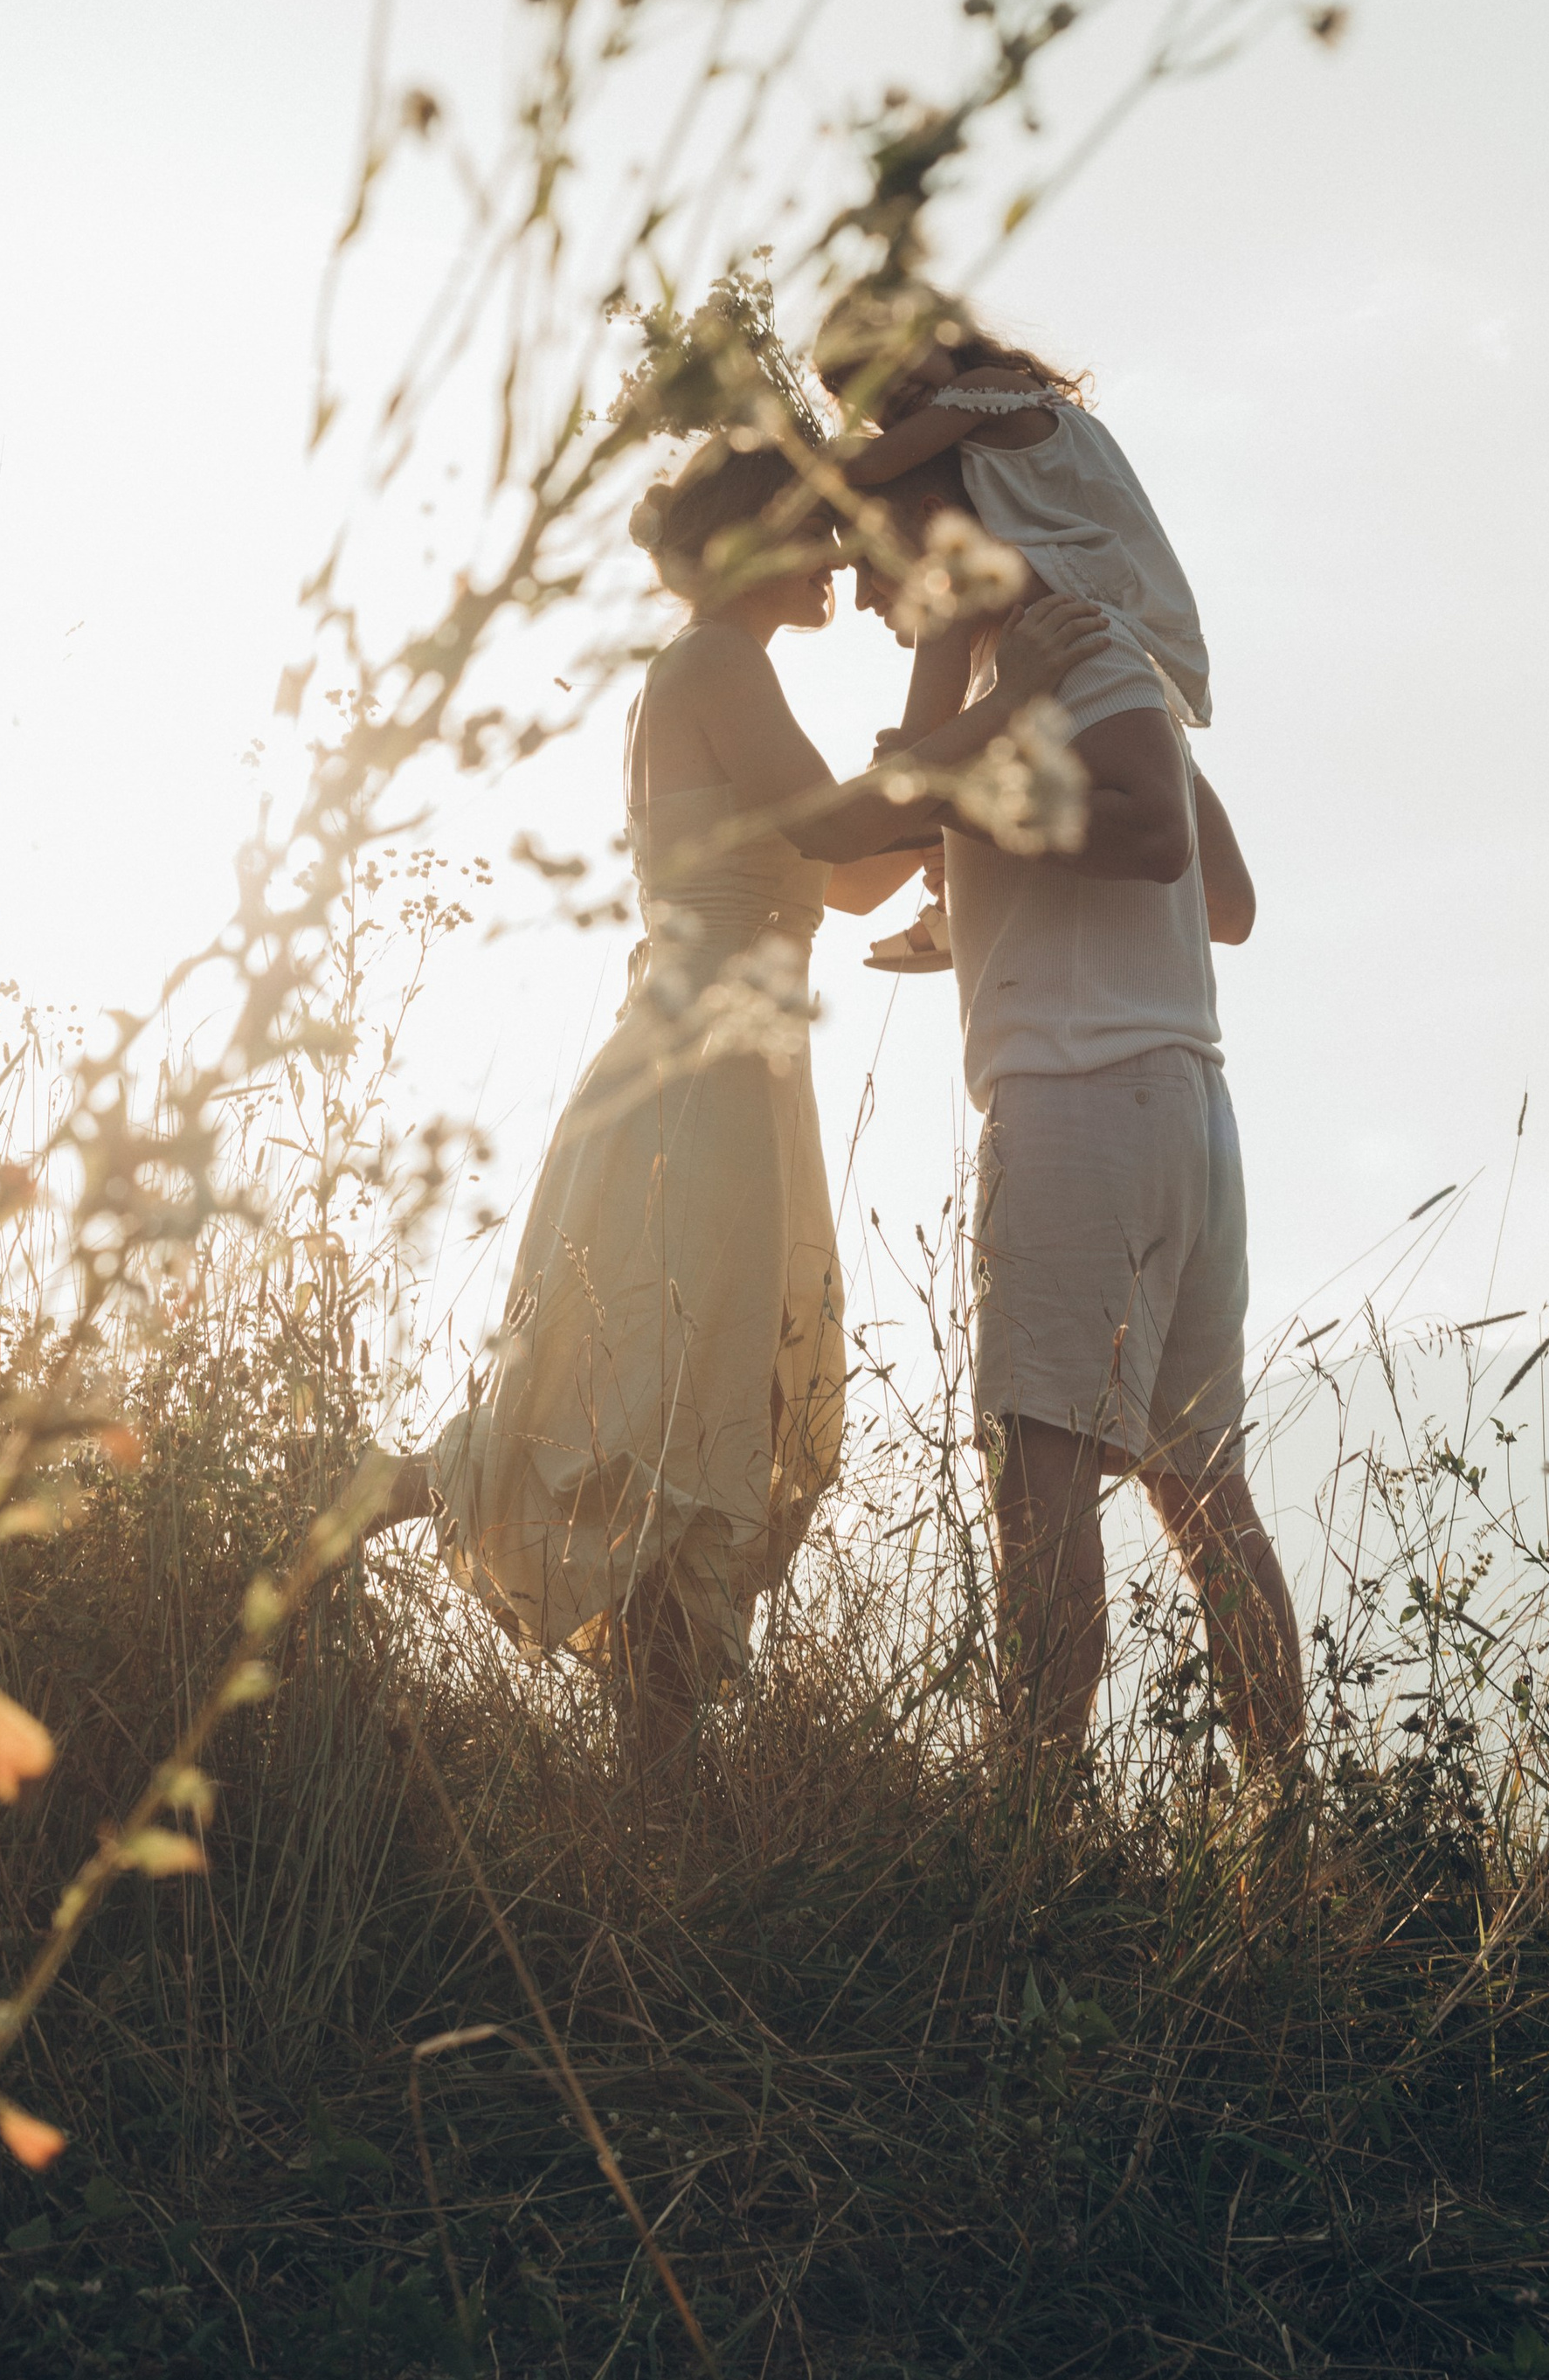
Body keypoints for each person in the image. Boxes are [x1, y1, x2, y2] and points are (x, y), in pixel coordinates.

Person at [381, 432, 1111, 1778]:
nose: (834, 552)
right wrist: (1004, 702)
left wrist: (965, 783)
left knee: (696, 1414)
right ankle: (369, 1496)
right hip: (696, 1078)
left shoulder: (727, 668)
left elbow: (847, 873)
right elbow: (837, 832)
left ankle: (654, 1786)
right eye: (810, 526)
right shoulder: (714, 661)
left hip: (740, 1076)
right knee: (652, 1408)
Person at [824, 302, 1303, 1769]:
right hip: (1187, 1108)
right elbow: (1228, 901)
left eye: (876, 556)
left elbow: (1150, 842)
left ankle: (1029, 1824)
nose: (872, 595)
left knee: (1034, 1486)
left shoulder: (1063, 656)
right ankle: (1284, 1827)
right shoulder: (1101, 657)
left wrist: (969, 800)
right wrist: (970, 838)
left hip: (1080, 1096)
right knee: (1203, 1492)